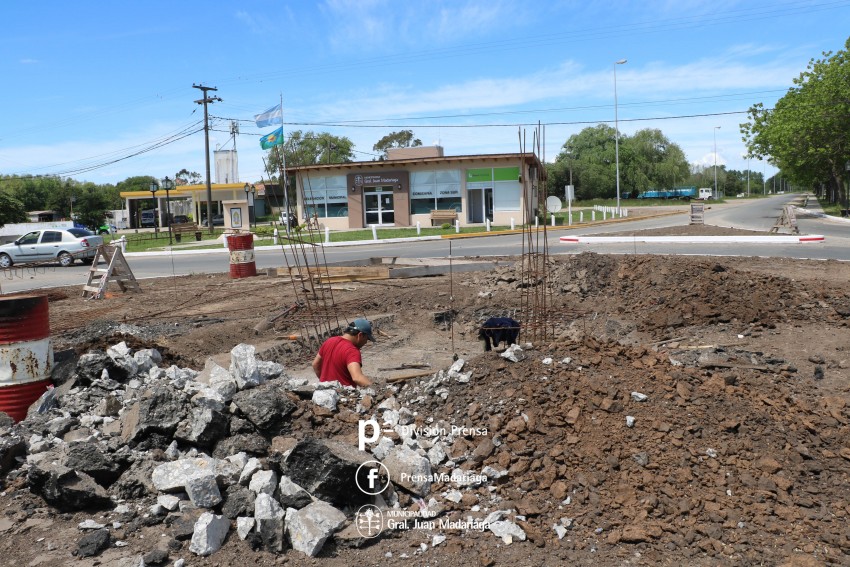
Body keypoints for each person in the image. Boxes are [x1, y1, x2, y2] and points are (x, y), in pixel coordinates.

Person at [312, 318, 375, 387]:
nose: (366, 342)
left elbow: (315, 364)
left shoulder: (329, 341)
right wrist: (375, 389)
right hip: (342, 392)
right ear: (360, 335)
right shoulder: (352, 351)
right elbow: (357, 378)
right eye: (367, 339)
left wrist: (325, 383)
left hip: (323, 391)